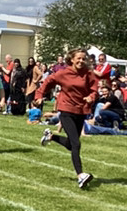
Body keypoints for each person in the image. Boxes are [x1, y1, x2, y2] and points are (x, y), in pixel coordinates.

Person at [35, 48, 99, 189]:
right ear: (72, 59)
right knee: (76, 144)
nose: (81, 61)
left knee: (71, 144)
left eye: (83, 59)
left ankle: (51, 137)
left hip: (81, 110)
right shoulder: (63, 73)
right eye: (78, 58)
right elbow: (48, 82)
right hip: (66, 110)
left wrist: (91, 97)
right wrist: (39, 96)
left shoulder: (89, 74)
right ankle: (80, 175)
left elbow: (95, 90)